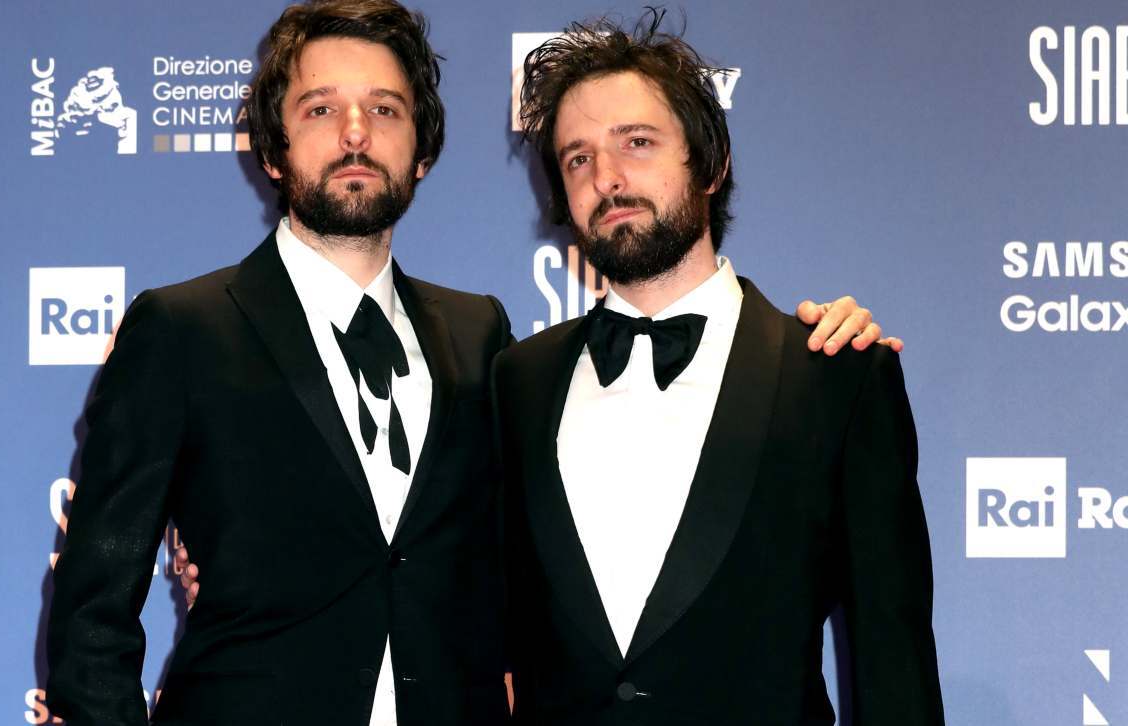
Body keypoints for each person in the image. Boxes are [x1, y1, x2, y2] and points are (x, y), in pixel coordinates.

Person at [48, 1, 895, 724]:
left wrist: (825, 350)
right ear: (272, 149)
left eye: (385, 110)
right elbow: (92, 619)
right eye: (319, 109)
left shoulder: (483, 342)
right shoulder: (181, 330)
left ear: (421, 150)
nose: (354, 133)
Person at [492, 10, 945, 724]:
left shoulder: (835, 373)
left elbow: (894, 661)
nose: (607, 177)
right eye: (578, 158)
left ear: (710, 163)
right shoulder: (517, 381)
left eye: (637, 142)